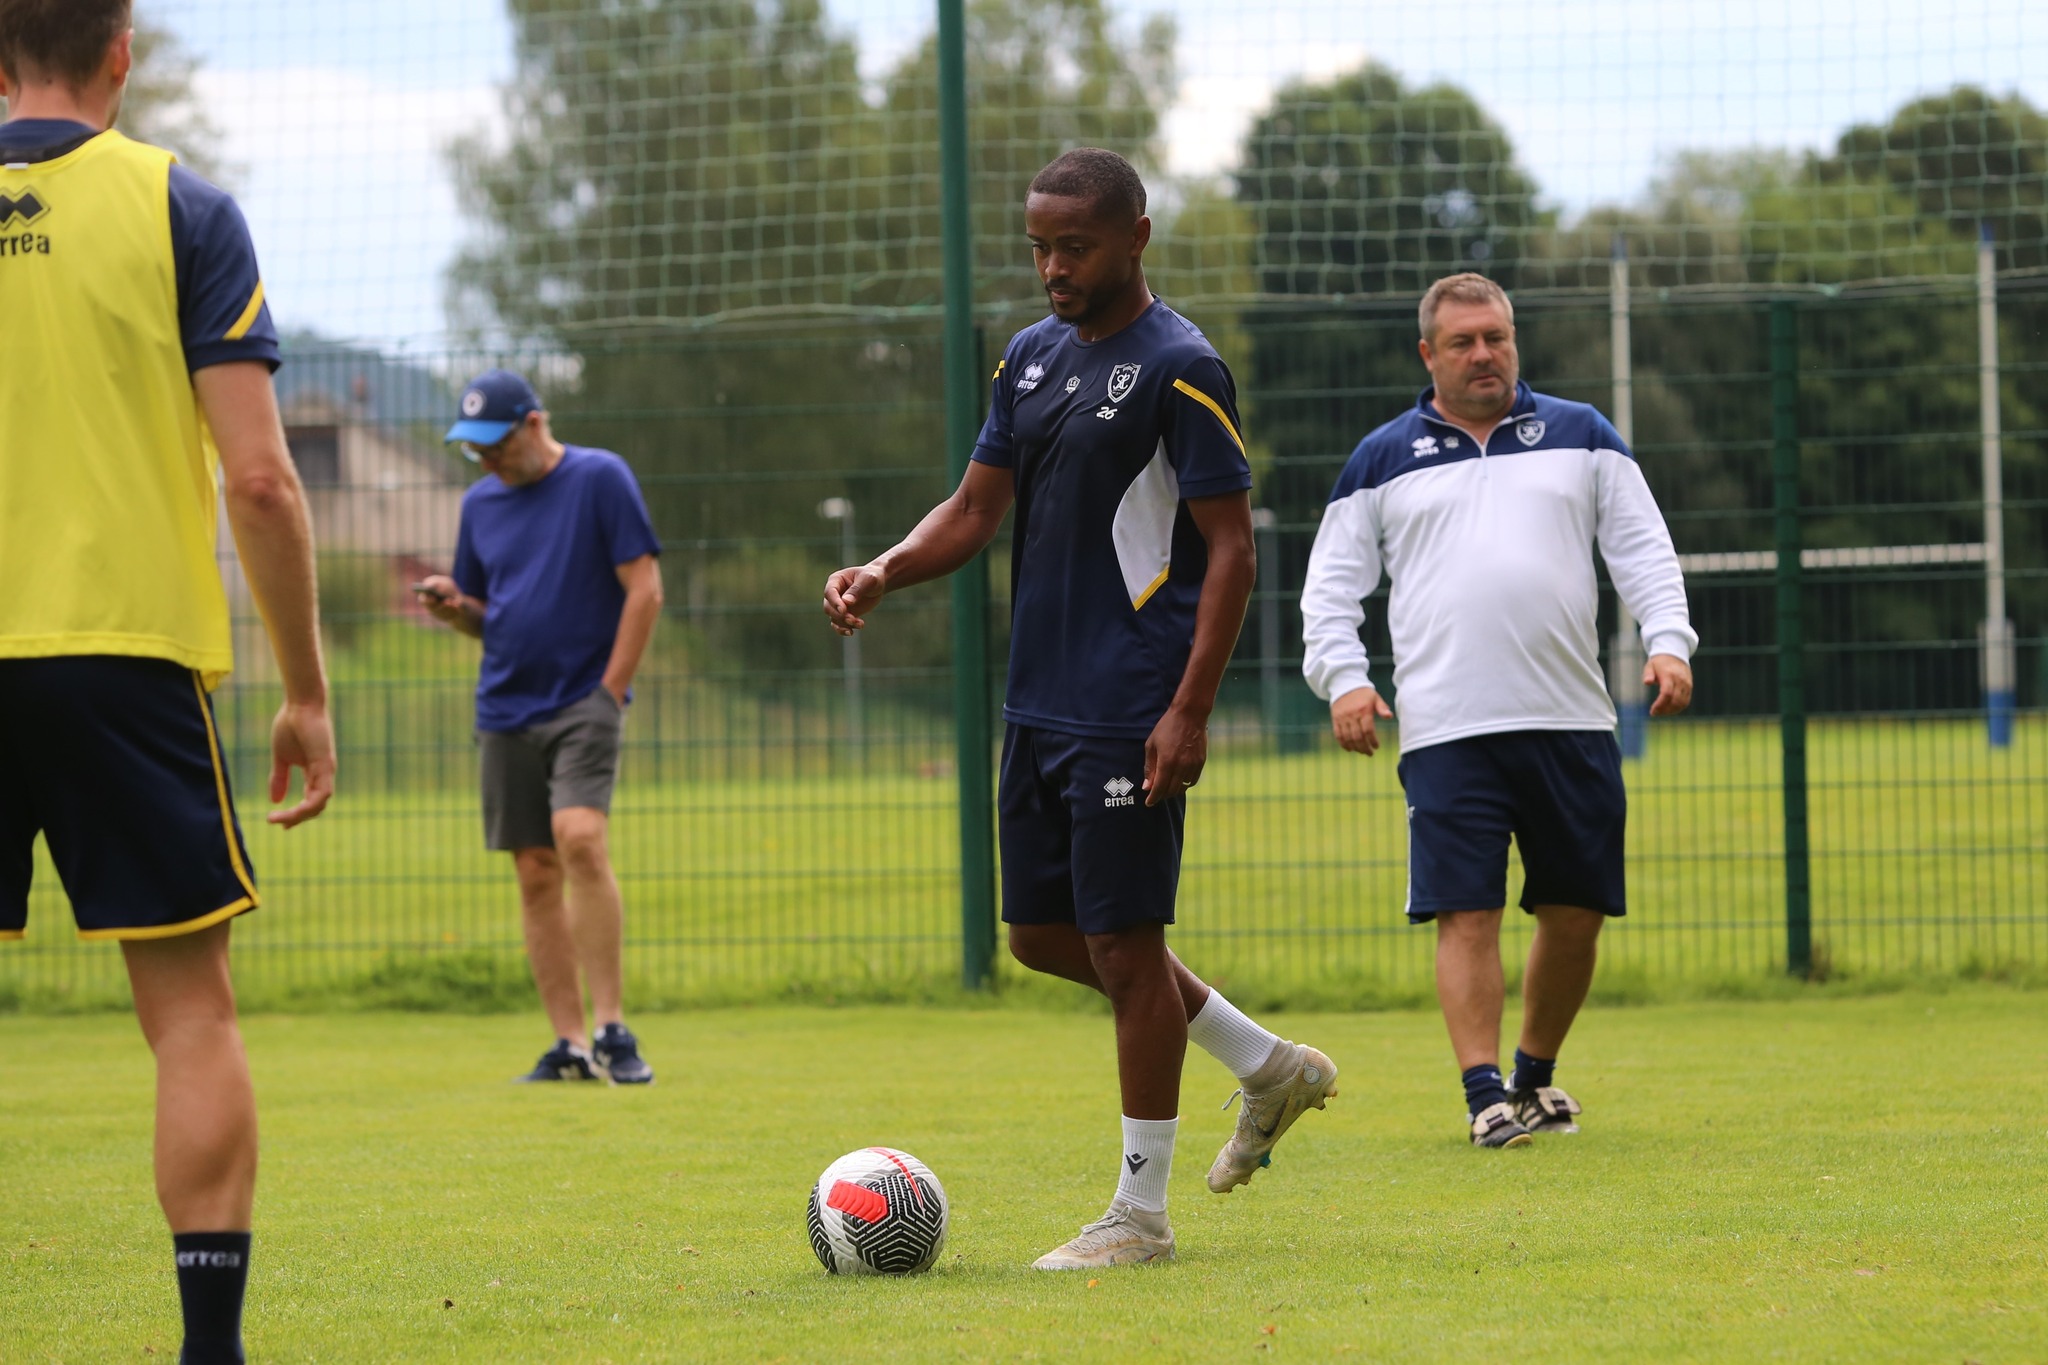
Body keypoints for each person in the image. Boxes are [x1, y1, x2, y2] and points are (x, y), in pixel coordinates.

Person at [822, 148, 1336, 1271]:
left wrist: (1187, 709)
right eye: (1039, 246)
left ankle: (1138, 1218)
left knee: (1122, 942)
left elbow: (1232, 551)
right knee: (1044, 937)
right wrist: (883, 568)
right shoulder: (1029, 359)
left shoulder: (1181, 368)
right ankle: (1264, 1065)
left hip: (1127, 706)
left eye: (1075, 247)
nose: (1052, 267)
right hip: (1039, 704)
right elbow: (971, 508)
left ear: (1135, 239)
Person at [0, 2, 336, 1360]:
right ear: (123, 51)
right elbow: (258, 476)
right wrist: (306, 686)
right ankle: (210, 1348)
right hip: (122, 656)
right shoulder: (180, 210)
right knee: (189, 1012)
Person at [1300, 272, 1695, 1149]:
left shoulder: (1583, 434)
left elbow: (1645, 553)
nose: (1485, 353)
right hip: (1445, 728)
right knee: (1465, 911)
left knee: (1577, 909)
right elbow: (1330, 591)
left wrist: (1669, 640)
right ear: (1427, 354)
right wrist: (1346, 678)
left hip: (1572, 718)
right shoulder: (1381, 458)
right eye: (1464, 341)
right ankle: (1484, 1095)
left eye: (1497, 336)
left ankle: (1534, 1077)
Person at [418, 369, 663, 1086]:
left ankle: (613, 1028)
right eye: (474, 450)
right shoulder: (479, 504)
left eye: (494, 444)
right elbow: (484, 614)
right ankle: (568, 1046)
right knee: (533, 872)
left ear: (534, 423)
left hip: (583, 701)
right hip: (503, 707)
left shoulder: (599, 478)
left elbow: (644, 588)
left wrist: (609, 693)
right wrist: (452, 608)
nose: (486, 460)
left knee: (580, 838)